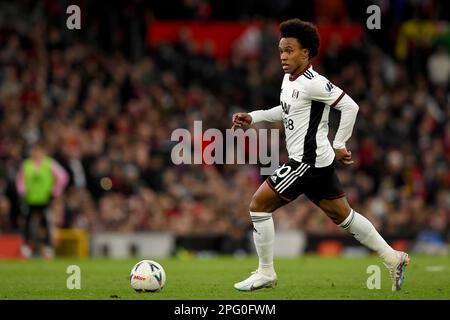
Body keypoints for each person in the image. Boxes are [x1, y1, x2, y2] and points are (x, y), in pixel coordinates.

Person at [231, 19, 410, 292]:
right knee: (345, 217)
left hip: (307, 162)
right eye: (281, 50)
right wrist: (253, 118)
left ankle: (266, 272)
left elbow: (351, 106)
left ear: (305, 53)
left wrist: (340, 142)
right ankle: (392, 257)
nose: (282, 56)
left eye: (289, 50)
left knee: (258, 205)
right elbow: (286, 111)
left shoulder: (315, 83)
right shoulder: (288, 80)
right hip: (317, 162)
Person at [15, 142, 69, 259]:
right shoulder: (26, 165)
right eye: (35, 151)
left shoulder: (49, 164)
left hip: (45, 199)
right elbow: (20, 181)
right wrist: (22, 192)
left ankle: (48, 248)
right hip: (30, 199)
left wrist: (55, 192)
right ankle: (27, 248)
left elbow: (63, 177)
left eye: (39, 151)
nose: (37, 154)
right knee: (28, 224)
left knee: (47, 223)